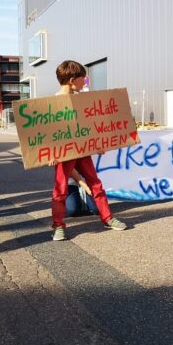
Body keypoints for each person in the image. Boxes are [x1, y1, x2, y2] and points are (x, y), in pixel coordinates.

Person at [50, 60, 127, 241]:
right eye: (82, 78)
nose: (85, 82)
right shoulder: (52, 103)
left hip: (83, 151)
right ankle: (58, 226)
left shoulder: (82, 100)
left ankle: (107, 217)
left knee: (95, 183)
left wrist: (96, 143)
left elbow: (89, 124)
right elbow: (49, 132)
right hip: (64, 154)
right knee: (60, 189)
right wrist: (50, 152)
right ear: (71, 80)